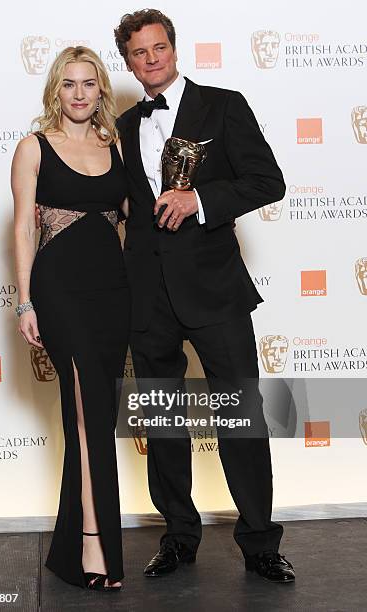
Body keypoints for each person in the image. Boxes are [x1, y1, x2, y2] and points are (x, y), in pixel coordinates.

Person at [114, 9, 295, 583]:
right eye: (139, 52)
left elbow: (269, 181)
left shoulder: (223, 104)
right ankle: (177, 537)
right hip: (147, 297)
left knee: (242, 417)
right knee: (163, 421)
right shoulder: (118, 126)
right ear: (127, 61)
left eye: (159, 47)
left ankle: (260, 543)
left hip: (215, 291)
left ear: (174, 47)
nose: (151, 59)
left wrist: (202, 202)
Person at [12, 46, 130, 591]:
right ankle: (93, 542)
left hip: (113, 291)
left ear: (100, 90)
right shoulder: (33, 147)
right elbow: (22, 230)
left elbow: (138, 219)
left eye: (89, 84)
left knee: (95, 417)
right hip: (60, 291)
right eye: (69, 84)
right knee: (88, 418)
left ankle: (69, 547)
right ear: (55, 91)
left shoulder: (117, 147)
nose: (79, 94)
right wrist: (25, 301)